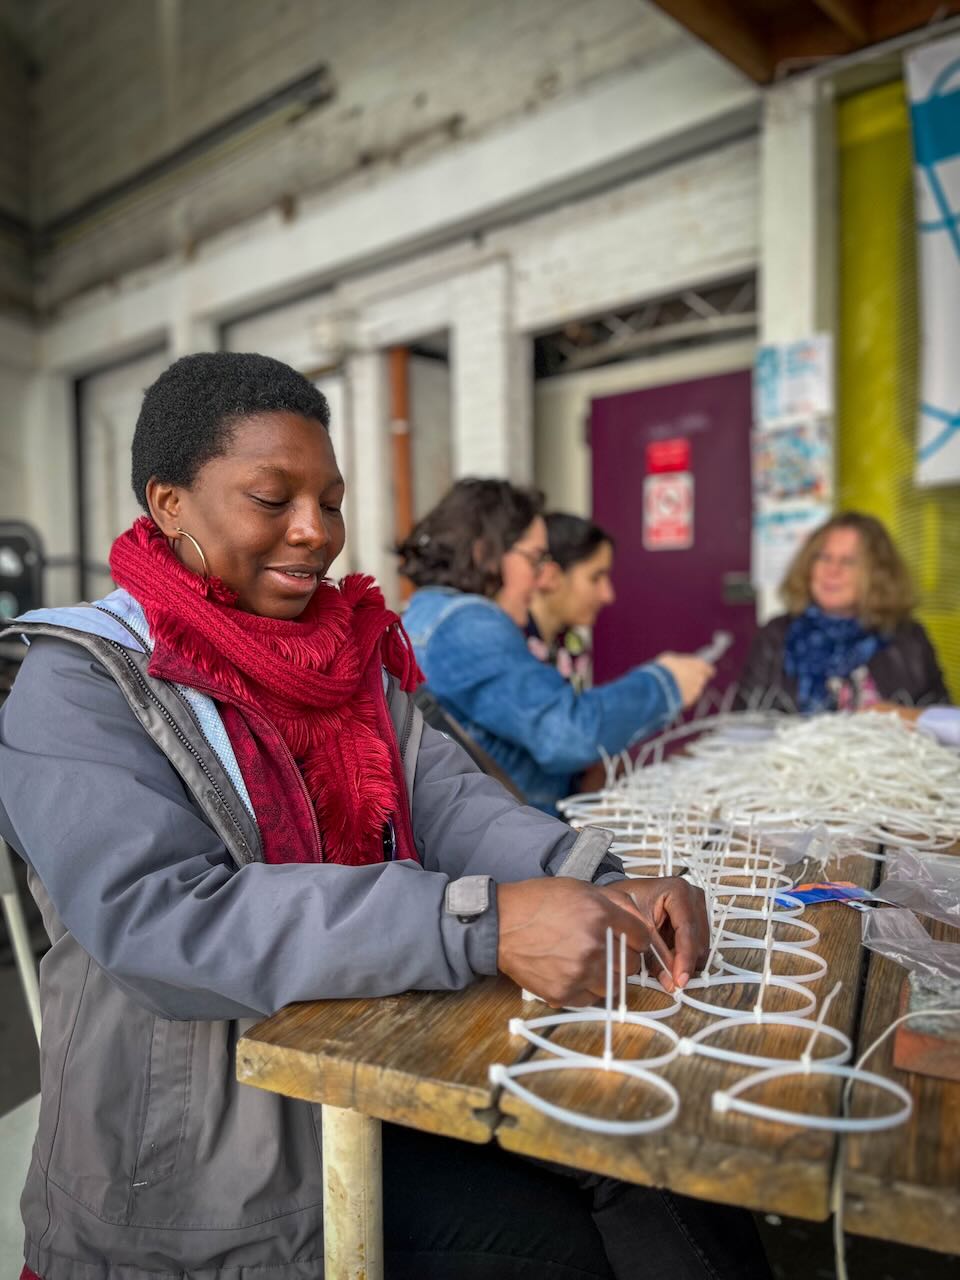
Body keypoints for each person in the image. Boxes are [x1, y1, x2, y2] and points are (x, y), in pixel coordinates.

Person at [0, 353, 770, 1280]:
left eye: (330, 502)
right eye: (273, 499)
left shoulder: (344, 659)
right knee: (558, 1243)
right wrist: (485, 924)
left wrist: (596, 882)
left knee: (649, 1148)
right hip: (207, 1164)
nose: (314, 532)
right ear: (169, 503)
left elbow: (451, 805)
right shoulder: (81, 681)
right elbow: (164, 922)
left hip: (375, 1056)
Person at [399, 480, 714, 813]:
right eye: (534, 559)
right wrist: (664, 684)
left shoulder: (430, 613)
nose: (540, 579)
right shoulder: (467, 624)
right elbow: (566, 734)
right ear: (483, 552)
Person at [737, 511, 949, 713]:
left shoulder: (909, 639)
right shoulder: (775, 636)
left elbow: (940, 722)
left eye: (848, 561)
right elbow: (742, 721)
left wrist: (901, 716)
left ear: (878, 573)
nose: (832, 570)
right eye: (823, 558)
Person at [527, 512, 615, 693]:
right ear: (550, 576)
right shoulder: (511, 652)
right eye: (595, 578)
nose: (608, 595)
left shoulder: (571, 648)